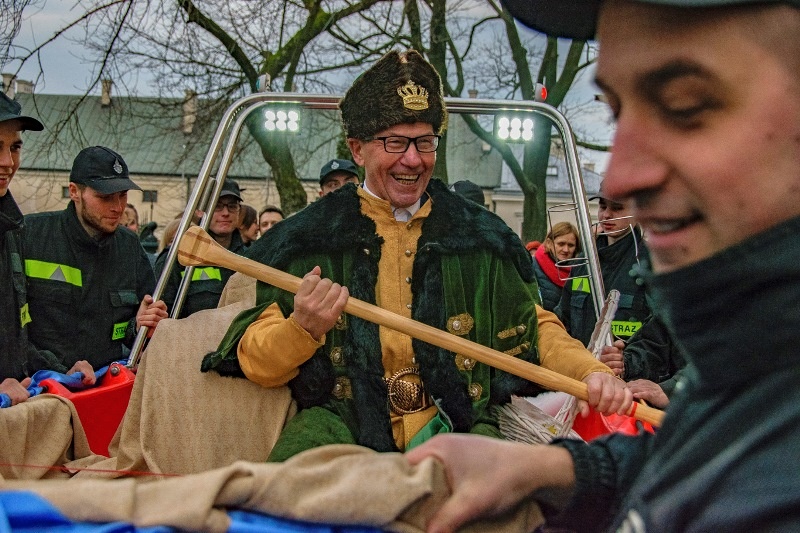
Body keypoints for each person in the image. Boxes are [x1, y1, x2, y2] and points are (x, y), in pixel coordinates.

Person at [405, 1, 800, 531]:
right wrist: (560, 470)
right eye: (617, 114)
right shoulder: (756, 351)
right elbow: (708, 453)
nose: (618, 179)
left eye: (685, 107)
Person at [203, 49, 629, 462]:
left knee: (509, 500)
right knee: (281, 498)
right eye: (395, 142)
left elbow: (536, 327)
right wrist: (301, 328)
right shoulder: (306, 239)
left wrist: (589, 371)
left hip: (460, 424)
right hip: (342, 426)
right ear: (358, 149)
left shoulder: (480, 236)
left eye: (425, 142)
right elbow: (257, 362)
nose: (413, 159)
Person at [23, 146, 167, 381]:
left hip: (106, 388)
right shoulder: (30, 236)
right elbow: (11, 329)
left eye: (122, 195)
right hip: (39, 388)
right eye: (105, 197)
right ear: (74, 192)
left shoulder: (129, 247)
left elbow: (133, 332)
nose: (118, 207)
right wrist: (58, 372)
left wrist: (139, 326)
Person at [555, 183, 650, 345]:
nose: (606, 215)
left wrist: (628, 356)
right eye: (602, 206)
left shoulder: (649, 263)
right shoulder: (584, 261)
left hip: (626, 360)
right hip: (580, 359)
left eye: (617, 208)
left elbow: (661, 336)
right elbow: (563, 318)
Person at [0, 92, 43, 405]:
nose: (7, 162)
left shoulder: (11, 229)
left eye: (14, 147)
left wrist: (61, 368)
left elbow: (17, 338)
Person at [157, 179, 247, 318]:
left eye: (232, 206)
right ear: (200, 211)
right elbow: (161, 314)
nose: (225, 213)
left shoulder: (250, 257)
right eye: (217, 206)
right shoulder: (178, 257)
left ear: (239, 211)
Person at [532, 221, 580, 311]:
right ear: (549, 243)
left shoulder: (580, 271)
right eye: (561, 244)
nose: (566, 250)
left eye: (571, 245)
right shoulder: (532, 267)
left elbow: (579, 300)